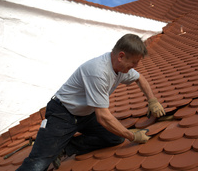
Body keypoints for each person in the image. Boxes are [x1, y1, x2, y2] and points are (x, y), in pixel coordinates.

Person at [16, 34, 165, 171]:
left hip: (86, 115)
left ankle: (65, 147)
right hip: (62, 113)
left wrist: (152, 101)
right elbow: (102, 116)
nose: (135, 66)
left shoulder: (121, 68)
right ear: (121, 56)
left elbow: (140, 78)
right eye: (134, 62)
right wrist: (132, 136)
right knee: (38, 163)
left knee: (115, 137)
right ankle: (53, 148)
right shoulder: (98, 72)